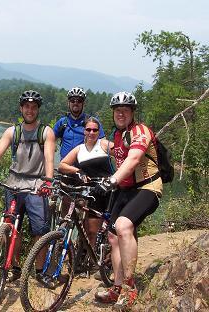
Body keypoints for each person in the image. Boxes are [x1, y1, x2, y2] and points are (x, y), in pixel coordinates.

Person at [94, 91, 162, 309]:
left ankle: (130, 288)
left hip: (148, 186)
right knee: (113, 236)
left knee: (123, 226)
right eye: (117, 110)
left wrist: (111, 180)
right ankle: (117, 286)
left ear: (133, 112)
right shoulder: (117, 135)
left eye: (125, 110)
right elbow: (105, 151)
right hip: (126, 190)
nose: (120, 113)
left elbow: (133, 160)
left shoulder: (140, 131)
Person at [0, 90, 56, 283]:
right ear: (21, 108)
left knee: (39, 231)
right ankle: (15, 268)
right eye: (26, 107)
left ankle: (39, 272)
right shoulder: (12, 131)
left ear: (37, 109)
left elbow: (49, 157)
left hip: (36, 185)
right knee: (12, 227)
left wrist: (48, 180)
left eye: (34, 107)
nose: (30, 110)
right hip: (13, 184)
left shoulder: (45, 132)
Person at [58, 117, 114, 248]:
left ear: (98, 132)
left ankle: (104, 258)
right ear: (84, 131)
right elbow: (62, 165)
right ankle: (86, 260)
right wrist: (78, 170)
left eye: (95, 130)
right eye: (88, 129)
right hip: (91, 192)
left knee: (109, 228)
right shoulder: (79, 149)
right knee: (90, 231)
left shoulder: (104, 144)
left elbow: (122, 152)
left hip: (107, 189)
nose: (91, 132)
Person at [53, 87, 105, 160]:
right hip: (64, 167)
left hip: (85, 167)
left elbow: (103, 143)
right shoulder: (62, 122)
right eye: (72, 100)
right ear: (68, 103)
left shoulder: (92, 122)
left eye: (79, 101)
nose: (75, 103)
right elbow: (50, 141)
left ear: (84, 103)